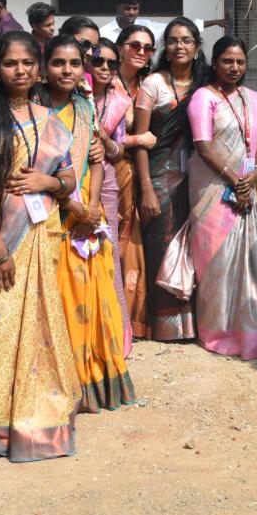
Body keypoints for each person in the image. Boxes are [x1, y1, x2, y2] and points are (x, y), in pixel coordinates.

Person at [0, 30, 81, 460]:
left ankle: (34, 416)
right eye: (11, 63)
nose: (20, 70)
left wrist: (46, 181)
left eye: (28, 63)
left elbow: (69, 180)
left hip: (38, 236)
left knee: (38, 326)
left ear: (39, 66)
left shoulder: (50, 119)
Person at [44, 35, 136, 412]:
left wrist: (94, 206)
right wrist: (75, 207)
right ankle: (62, 380)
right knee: (60, 296)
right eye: (58, 63)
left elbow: (97, 160)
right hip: (51, 212)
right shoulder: (35, 108)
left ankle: (93, 380)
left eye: (74, 63)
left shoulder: (85, 109)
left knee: (93, 295)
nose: (67, 70)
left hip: (88, 214)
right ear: (43, 66)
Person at [182, 36, 257, 360]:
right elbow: (203, 145)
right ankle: (217, 333)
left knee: (248, 260)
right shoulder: (203, 98)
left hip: (243, 188)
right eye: (227, 61)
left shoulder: (250, 99)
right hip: (211, 192)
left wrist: (253, 174)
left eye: (240, 61)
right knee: (215, 262)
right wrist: (236, 179)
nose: (234, 67)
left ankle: (253, 328)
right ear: (215, 63)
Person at [136, 18, 203, 341]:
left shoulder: (205, 85)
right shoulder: (153, 84)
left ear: (197, 47)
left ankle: (197, 322)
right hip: (160, 177)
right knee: (161, 244)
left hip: (197, 178)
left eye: (186, 40)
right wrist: (145, 186)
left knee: (195, 245)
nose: (179, 46)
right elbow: (141, 138)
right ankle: (165, 325)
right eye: (173, 40)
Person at [90, 38, 156, 352]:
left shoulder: (129, 94)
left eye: (109, 64)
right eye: (97, 62)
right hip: (80, 179)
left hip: (115, 178)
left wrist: (103, 136)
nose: (104, 68)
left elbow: (115, 148)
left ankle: (122, 327)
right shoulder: (78, 93)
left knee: (118, 248)